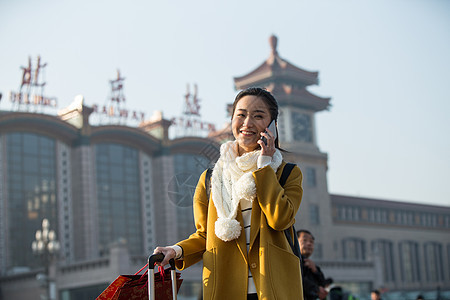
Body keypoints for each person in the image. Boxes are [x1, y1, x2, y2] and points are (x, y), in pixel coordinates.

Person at [154, 87, 304, 300]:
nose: (247, 123)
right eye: (241, 115)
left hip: (275, 290)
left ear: (273, 126)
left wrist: (264, 167)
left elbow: (279, 219)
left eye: (258, 116)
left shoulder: (287, 173)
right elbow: (205, 235)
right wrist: (176, 251)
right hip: (225, 287)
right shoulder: (210, 179)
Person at [297, 230, 328, 300]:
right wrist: (316, 289)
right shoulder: (293, 262)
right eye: (304, 240)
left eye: (311, 241)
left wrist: (315, 271)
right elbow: (297, 279)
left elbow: (323, 284)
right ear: (295, 242)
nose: (309, 244)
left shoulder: (313, 266)